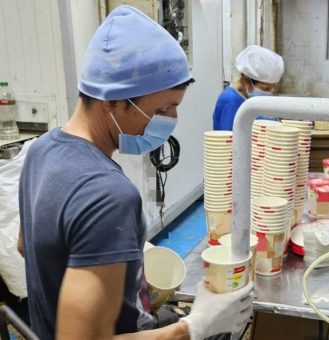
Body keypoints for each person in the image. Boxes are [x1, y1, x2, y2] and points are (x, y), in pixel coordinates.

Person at [18, 6, 253, 340]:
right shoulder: (108, 195)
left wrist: (113, 264)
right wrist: (192, 328)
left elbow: (27, 246)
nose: (172, 120)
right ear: (112, 101)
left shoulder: (42, 150)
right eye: (161, 109)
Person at [212, 45, 284, 130]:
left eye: (271, 88)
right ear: (247, 80)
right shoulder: (230, 101)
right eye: (265, 89)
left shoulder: (250, 99)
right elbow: (230, 139)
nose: (268, 93)